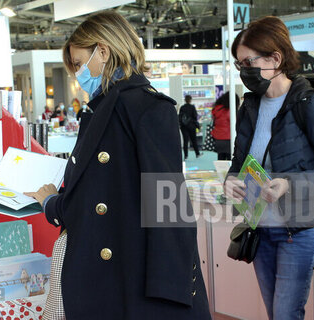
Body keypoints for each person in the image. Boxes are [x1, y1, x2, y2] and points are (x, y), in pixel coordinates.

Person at [25, 10, 210, 320]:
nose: (77, 73)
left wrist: (170, 290)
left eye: (78, 63)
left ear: (103, 51)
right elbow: (92, 195)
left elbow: (169, 207)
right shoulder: (102, 111)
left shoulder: (147, 108)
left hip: (136, 279)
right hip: (110, 274)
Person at [224, 16, 314, 320]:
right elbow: (239, 162)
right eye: (238, 64)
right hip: (259, 226)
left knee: (285, 313)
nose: (243, 71)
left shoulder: (310, 104)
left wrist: (288, 183)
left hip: (298, 229)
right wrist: (232, 179)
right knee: (275, 312)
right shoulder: (251, 106)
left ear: (275, 58)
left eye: (248, 62)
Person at [211, 92, 239, 160]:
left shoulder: (217, 109)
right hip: (229, 138)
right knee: (231, 160)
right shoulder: (230, 111)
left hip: (218, 138)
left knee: (220, 159)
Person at [178, 95, 201, 159]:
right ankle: (197, 153)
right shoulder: (192, 107)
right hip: (191, 126)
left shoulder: (182, 107)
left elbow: (180, 117)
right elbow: (195, 116)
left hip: (184, 126)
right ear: (190, 100)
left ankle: (186, 155)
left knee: (185, 141)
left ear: (185, 100)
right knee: (194, 140)